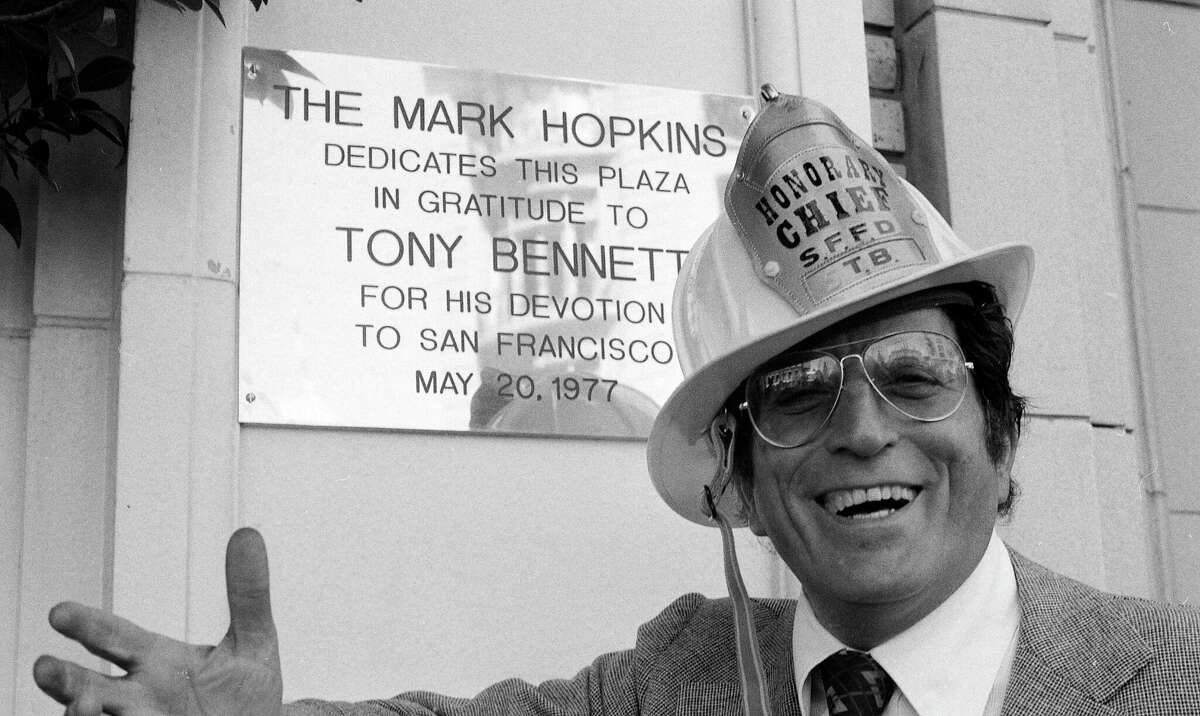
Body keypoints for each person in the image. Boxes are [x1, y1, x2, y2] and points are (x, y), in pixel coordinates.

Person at [34, 87, 1200, 716]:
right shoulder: (668, 676)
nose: (860, 427)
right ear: (734, 479)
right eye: (794, 389)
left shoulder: (1173, 674)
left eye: (912, 370)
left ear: (1001, 429)